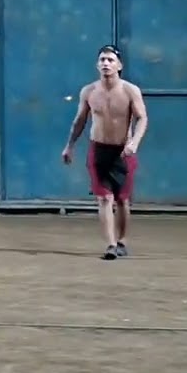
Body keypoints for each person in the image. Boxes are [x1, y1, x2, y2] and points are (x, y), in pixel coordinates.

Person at [62, 44, 149, 260]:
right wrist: (70, 145)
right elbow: (80, 121)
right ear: (97, 65)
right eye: (102, 60)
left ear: (119, 65)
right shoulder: (89, 91)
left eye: (110, 60)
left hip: (122, 153)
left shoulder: (130, 91)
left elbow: (142, 118)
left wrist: (134, 143)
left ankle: (122, 241)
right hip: (98, 151)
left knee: (122, 200)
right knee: (104, 199)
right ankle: (110, 245)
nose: (106, 64)